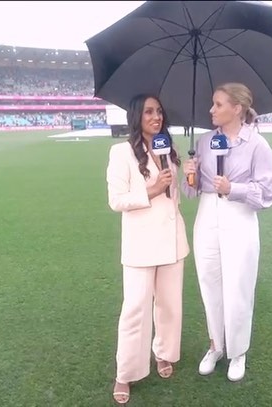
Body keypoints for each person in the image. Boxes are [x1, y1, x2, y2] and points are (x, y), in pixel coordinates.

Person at [182, 82, 272, 382]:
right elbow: (191, 191)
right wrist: (190, 175)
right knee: (209, 281)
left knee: (238, 285)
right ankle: (216, 345)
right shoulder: (205, 141)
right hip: (207, 214)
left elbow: (268, 192)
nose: (211, 110)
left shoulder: (257, 145)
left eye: (218, 104)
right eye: (212, 103)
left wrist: (233, 188)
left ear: (237, 108)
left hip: (239, 216)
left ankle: (238, 351)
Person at [106, 94, 190, 404]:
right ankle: (126, 372)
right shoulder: (121, 152)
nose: (156, 117)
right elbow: (116, 200)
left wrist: (188, 173)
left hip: (172, 240)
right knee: (135, 309)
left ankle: (164, 352)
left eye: (159, 111)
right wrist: (152, 190)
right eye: (149, 112)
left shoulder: (168, 149)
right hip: (140, 244)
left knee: (169, 304)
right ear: (136, 117)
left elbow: (176, 197)